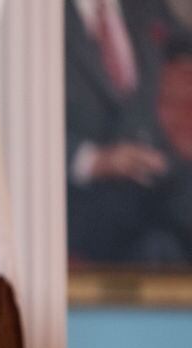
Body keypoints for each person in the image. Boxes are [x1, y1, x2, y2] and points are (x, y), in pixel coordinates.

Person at [66, 0, 192, 265]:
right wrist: (94, 160)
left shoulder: (145, 6)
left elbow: (182, 44)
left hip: (158, 174)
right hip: (82, 191)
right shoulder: (38, 18)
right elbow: (17, 120)